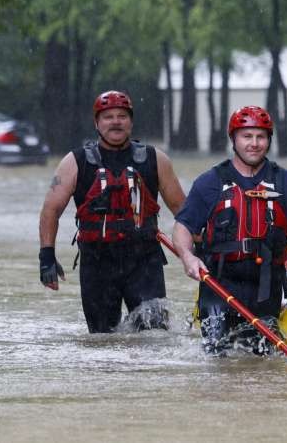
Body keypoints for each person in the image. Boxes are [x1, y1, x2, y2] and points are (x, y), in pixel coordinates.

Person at [171, 105, 287, 355]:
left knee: (260, 362)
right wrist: (187, 257)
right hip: (220, 285)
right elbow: (183, 227)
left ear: (269, 140)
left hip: (266, 287)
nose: (254, 144)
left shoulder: (286, 182)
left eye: (261, 137)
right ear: (233, 139)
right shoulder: (210, 182)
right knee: (217, 357)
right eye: (247, 136)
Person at [38, 90, 186, 333]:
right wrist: (47, 257)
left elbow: (182, 210)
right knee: (102, 340)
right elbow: (50, 211)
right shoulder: (75, 162)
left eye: (122, 116)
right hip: (97, 263)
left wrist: (200, 248)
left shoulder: (156, 159)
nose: (116, 122)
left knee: (154, 336)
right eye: (108, 117)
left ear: (131, 122)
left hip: (144, 261)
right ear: (96, 123)